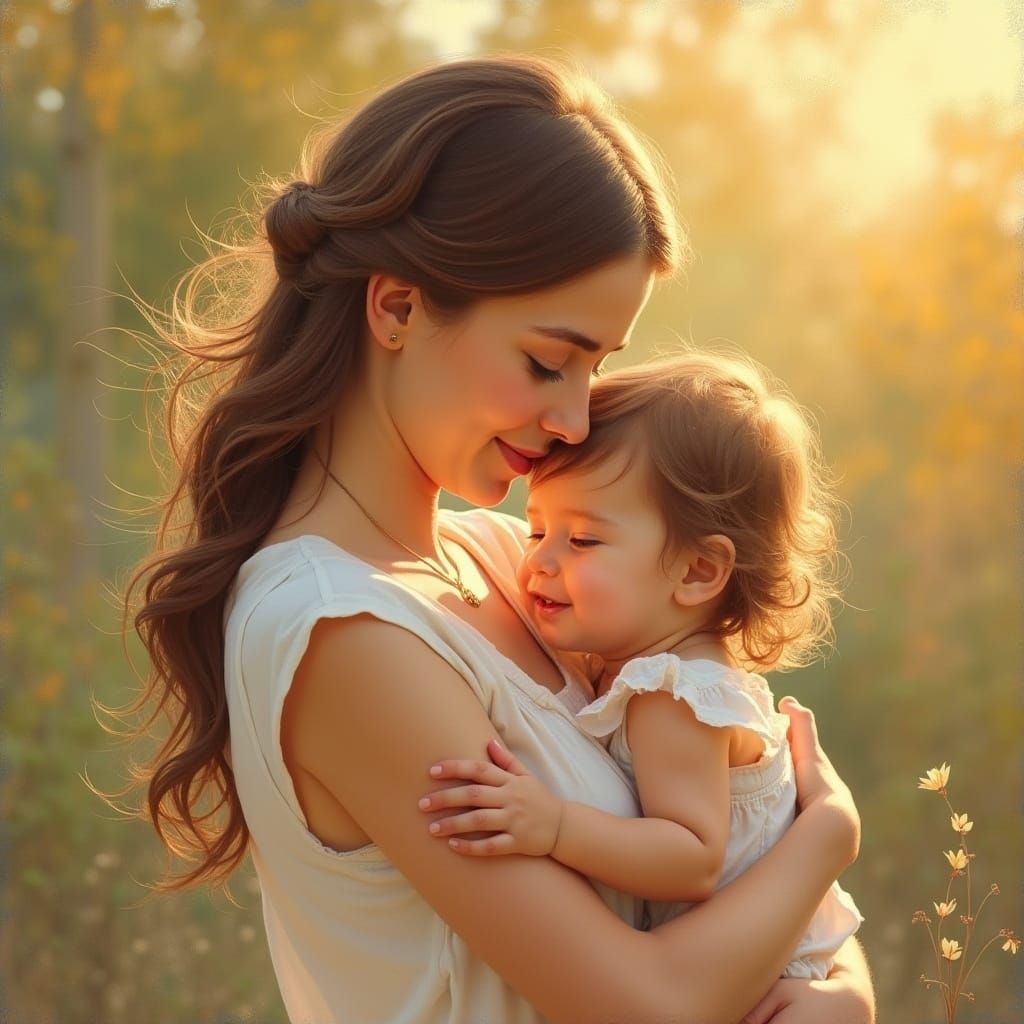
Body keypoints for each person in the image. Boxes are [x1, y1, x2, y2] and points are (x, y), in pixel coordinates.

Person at [125, 55, 874, 1023]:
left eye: (597, 367)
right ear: (396, 307)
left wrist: (836, 990)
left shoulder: (502, 558)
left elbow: (729, 855)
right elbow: (643, 1002)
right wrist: (833, 836)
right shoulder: (341, 629)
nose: (574, 418)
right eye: (546, 361)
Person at [417, 352, 864, 981]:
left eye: (583, 541)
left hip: (757, 978)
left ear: (698, 571)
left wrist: (554, 824)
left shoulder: (670, 696)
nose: (538, 562)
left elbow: (692, 857)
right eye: (537, 528)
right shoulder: (659, 658)